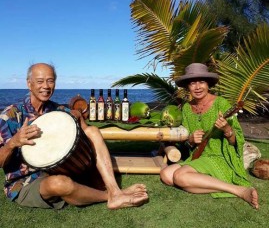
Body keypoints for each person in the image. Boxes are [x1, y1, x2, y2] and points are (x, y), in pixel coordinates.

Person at [0, 63, 148, 209]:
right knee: (60, 183)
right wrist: (13, 142)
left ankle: (114, 190)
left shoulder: (58, 110)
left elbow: (85, 133)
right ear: (29, 83)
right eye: (40, 81)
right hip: (26, 182)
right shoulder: (10, 115)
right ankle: (112, 196)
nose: (45, 86)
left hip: (61, 170)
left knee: (92, 131)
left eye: (50, 80)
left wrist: (79, 118)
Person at [160, 63, 259, 209]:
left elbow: (235, 141)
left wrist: (227, 129)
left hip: (219, 156)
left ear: (208, 84)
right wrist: (191, 139)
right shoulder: (187, 108)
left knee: (179, 177)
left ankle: (239, 190)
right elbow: (187, 143)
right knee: (166, 175)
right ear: (188, 87)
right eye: (193, 83)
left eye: (202, 82)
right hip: (198, 157)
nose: (198, 87)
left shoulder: (221, 103)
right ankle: (208, 181)